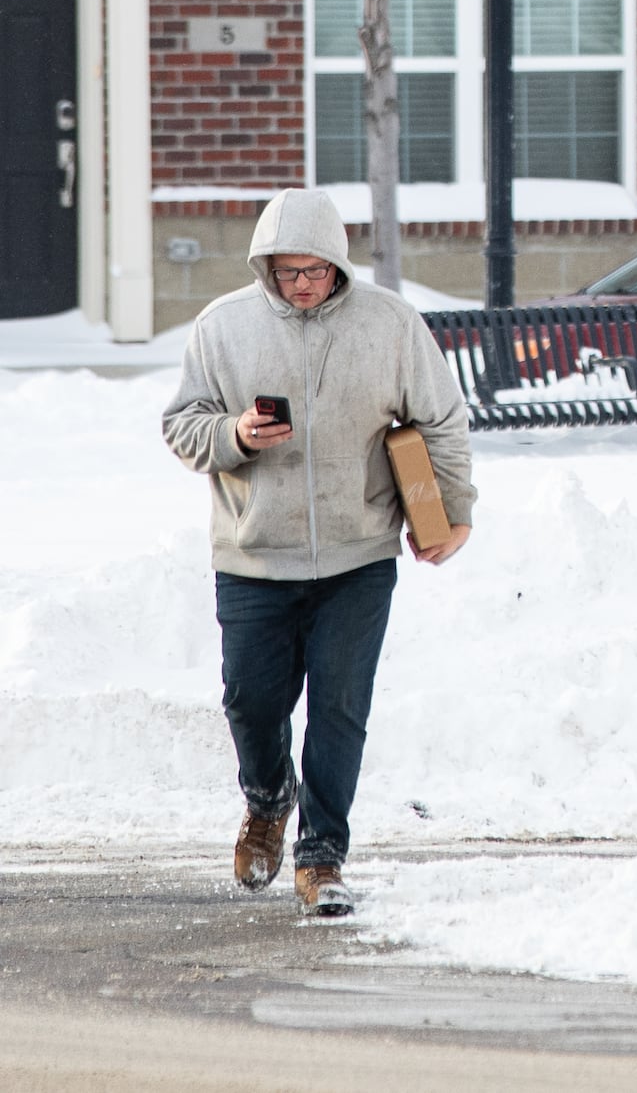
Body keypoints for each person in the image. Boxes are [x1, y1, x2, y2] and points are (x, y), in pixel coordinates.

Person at [162, 188, 474, 917]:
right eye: (287, 271)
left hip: (357, 553)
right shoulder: (222, 327)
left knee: (339, 708)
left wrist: (451, 513)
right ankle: (268, 800)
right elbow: (182, 426)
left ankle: (321, 856)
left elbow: (442, 421)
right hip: (252, 555)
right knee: (251, 700)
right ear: (265, 266)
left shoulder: (390, 325)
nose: (302, 284)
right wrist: (235, 435)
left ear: (338, 264)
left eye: (316, 271)